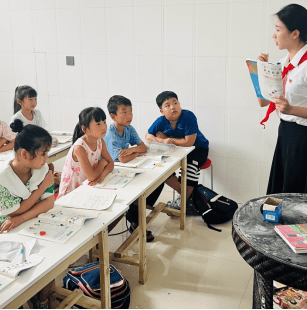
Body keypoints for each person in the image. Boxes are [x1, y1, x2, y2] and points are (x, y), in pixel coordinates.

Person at [257, 3, 307, 196]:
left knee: (300, 202)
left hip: (306, 142)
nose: (274, 35)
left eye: (278, 29)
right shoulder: (284, 63)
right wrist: (261, 72)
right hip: (286, 135)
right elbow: (263, 102)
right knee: (282, 196)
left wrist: (291, 109)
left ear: (295, 33)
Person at [0, 120, 55, 235]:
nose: (47, 158)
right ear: (24, 154)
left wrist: (22, 218)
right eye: (43, 154)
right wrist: (43, 186)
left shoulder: (41, 168)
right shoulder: (1, 178)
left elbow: (48, 202)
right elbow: (15, 212)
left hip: (18, 223)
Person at [104, 95, 159, 242]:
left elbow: (144, 148)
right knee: (138, 190)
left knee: (158, 179)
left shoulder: (128, 128)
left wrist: (131, 150)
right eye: (124, 112)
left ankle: (137, 212)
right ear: (113, 116)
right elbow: (121, 158)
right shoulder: (110, 134)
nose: (130, 115)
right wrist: (135, 151)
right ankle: (135, 220)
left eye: (131, 111)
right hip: (112, 172)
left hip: (128, 168)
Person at [146, 91, 209, 212]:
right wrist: (162, 140)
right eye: (167, 105)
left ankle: (184, 203)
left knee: (190, 169)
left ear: (179, 104)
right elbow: (148, 136)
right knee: (163, 170)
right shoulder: (160, 121)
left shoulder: (188, 116)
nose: (173, 107)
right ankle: (190, 197)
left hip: (198, 149)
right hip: (177, 151)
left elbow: (189, 142)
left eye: (175, 103)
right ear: (162, 111)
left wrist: (168, 140)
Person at [57, 107, 113, 197]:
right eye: (98, 124)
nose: (103, 127)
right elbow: (92, 176)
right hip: (71, 193)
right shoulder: (80, 148)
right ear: (84, 129)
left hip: (88, 187)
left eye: (104, 122)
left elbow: (110, 163)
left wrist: (102, 175)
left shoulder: (100, 141)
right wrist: (102, 164)